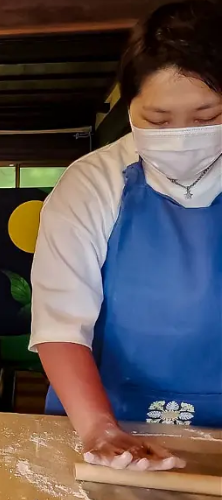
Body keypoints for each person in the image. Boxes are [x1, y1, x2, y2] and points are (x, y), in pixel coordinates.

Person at [29, 0, 222, 472]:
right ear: (126, 105)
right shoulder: (92, 183)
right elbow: (59, 324)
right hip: (104, 417)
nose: (181, 135)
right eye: (157, 121)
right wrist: (99, 428)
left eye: (206, 117)